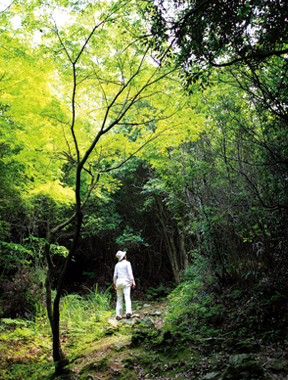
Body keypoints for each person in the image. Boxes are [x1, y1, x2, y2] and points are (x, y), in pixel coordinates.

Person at [113, 250, 136, 321]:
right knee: (127, 297)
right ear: (124, 256)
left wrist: (114, 283)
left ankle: (118, 315)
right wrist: (133, 281)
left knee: (119, 299)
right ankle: (128, 312)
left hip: (118, 282)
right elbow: (130, 273)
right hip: (126, 282)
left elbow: (115, 276)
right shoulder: (127, 263)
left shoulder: (117, 265)